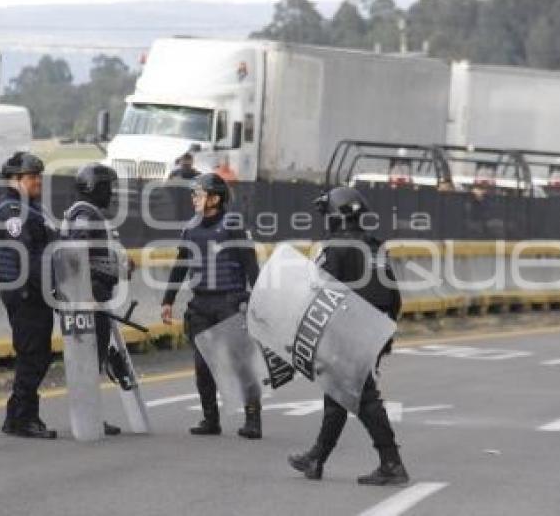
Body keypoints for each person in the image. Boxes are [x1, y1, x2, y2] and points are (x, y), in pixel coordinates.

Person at [287, 186, 409, 486]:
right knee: (338, 394)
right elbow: (394, 297)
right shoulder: (376, 248)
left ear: (338, 216)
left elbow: (315, 292)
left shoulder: (335, 248)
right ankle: (316, 458)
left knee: (364, 397)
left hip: (348, 331)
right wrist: (385, 338)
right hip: (376, 330)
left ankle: (391, 462)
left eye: (328, 213)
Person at [160, 173, 262, 438]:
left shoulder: (233, 225)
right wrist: (167, 301)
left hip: (230, 301)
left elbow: (250, 264)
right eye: (194, 194)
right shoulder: (191, 228)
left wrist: (257, 299)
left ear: (215, 198)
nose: (194, 198)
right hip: (201, 304)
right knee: (202, 365)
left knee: (241, 363)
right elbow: (180, 266)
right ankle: (210, 419)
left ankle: (253, 420)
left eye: (200, 194)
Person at [0, 152, 58, 439]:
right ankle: (21, 418)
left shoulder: (31, 209)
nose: (38, 181)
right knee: (32, 356)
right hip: (26, 293)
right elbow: (26, 259)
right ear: (15, 180)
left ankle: (22, 415)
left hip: (36, 293)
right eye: (32, 177)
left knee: (38, 355)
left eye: (39, 176)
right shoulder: (13, 212)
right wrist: (52, 289)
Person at [61, 162, 125, 436]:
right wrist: (86, 291)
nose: (111, 193)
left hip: (93, 292)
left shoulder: (88, 212)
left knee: (94, 356)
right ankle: (90, 415)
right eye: (107, 187)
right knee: (90, 356)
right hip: (90, 294)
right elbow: (77, 252)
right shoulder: (85, 214)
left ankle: (92, 414)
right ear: (94, 188)